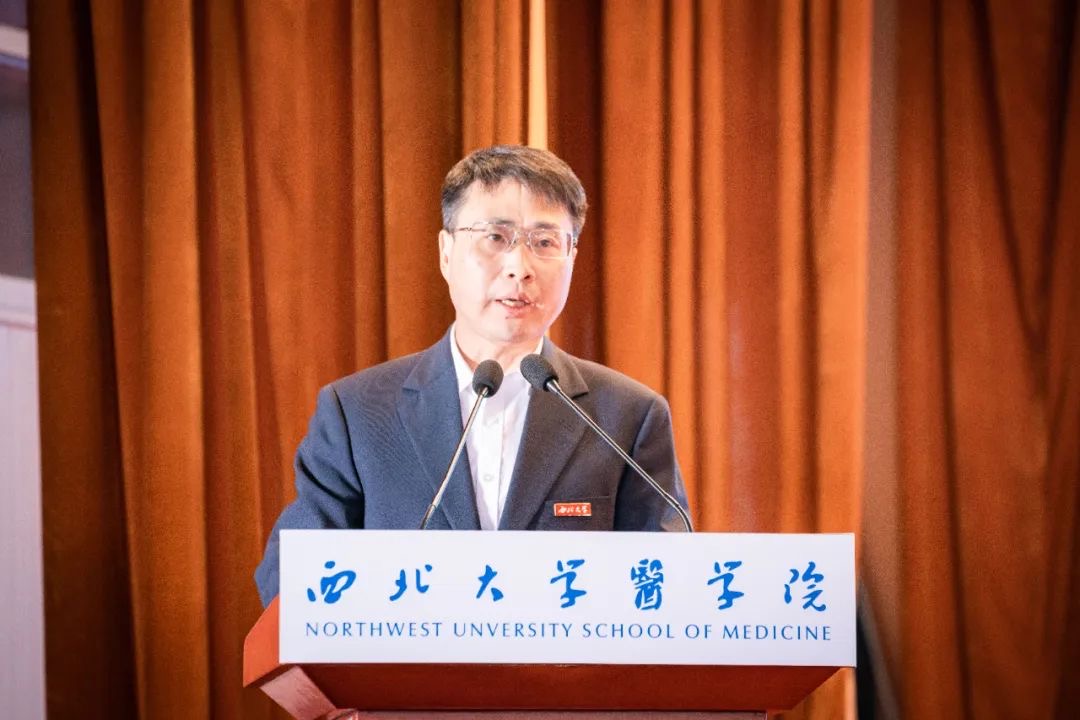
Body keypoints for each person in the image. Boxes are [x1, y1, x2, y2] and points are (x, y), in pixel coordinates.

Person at [255, 145, 689, 606]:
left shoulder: (627, 417)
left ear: (572, 258)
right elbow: (289, 580)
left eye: (544, 242)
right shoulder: (358, 414)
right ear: (446, 253)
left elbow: (670, 587)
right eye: (495, 237)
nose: (519, 268)